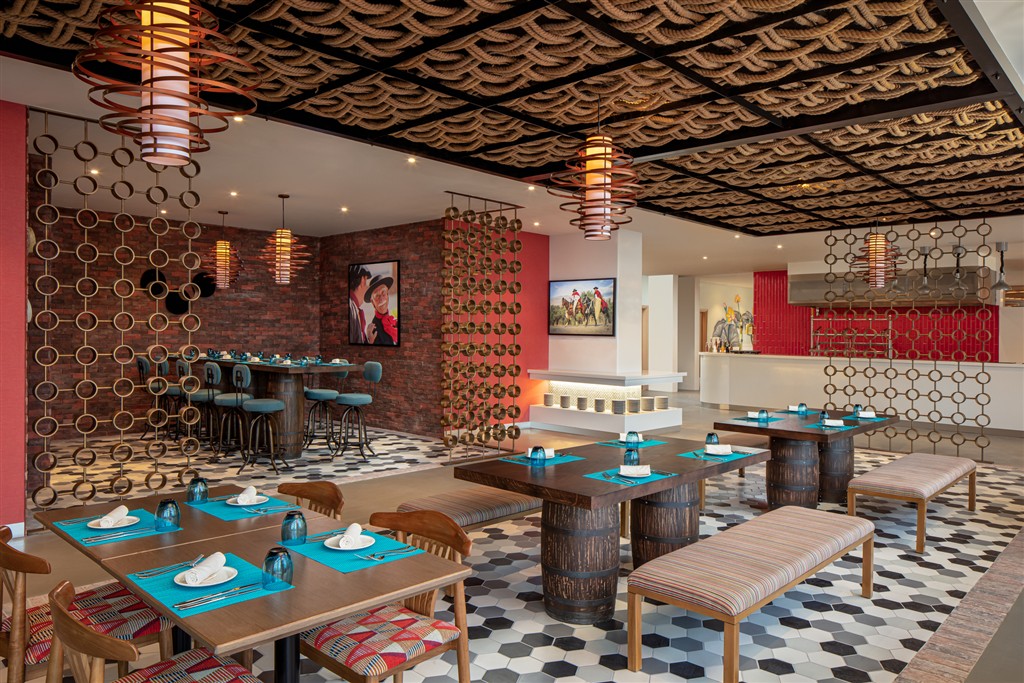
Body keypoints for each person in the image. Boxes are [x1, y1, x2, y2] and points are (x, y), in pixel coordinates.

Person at [365, 274, 398, 345]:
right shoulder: (373, 330)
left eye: (383, 293)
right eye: (377, 296)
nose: (381, 299)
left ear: (387, 295)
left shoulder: (395, 321)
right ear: (372, 302)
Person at [348, 265, 371, 344]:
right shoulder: (350, 307)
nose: (367, 288)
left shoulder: (353, 306)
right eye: (366, 283)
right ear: (363, 280)